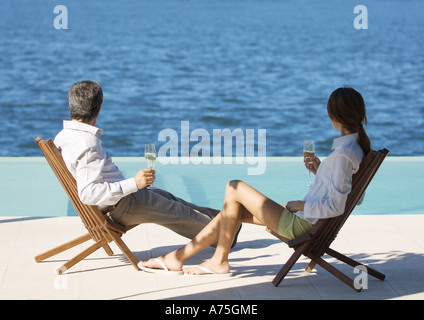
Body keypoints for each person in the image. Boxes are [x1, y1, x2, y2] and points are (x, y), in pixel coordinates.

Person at [139, 86, 371, 276]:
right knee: (233, 209)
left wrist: (299, 205)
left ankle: (215, 261)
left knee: (234, 186)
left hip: (303, 224)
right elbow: (352, 197)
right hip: (307, 220)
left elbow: (337, 205)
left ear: (334, 116)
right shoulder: (354, 148)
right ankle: (180, 258)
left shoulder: (343, 154)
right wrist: (322, 171)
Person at [54, 80, 241, 245]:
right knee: (177, 212)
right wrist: (134, 183)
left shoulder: (63, 137)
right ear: (100, 108)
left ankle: (227, 219)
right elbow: (89, 193)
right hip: (119, 206)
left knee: (168, 198)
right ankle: (226, 235)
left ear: (71, 104)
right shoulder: (87, 143)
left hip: (117, 202)